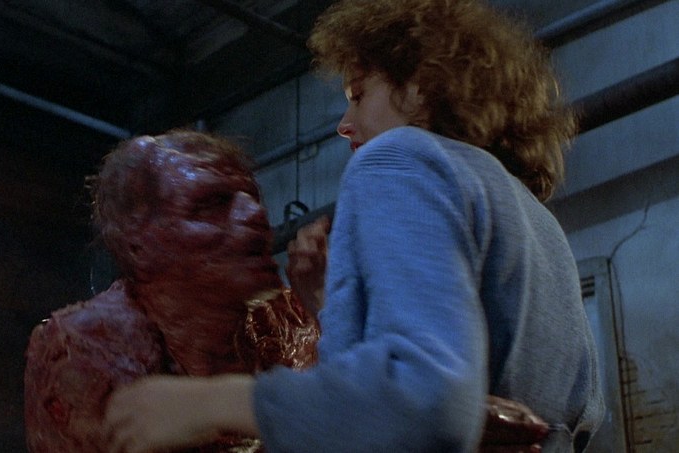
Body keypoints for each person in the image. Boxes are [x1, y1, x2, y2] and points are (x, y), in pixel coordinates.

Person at [104, 0, 606, 451]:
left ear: (422, 87)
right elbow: (564, 413)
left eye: (359, 94)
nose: (344, 123)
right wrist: (334, 306)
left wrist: (206, 403)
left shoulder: (398, 156)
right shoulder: (538, 222)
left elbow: (426, 398)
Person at [23, 131, 319, 452]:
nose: (255, 214)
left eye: (252, 198)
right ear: (138, 244)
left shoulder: (290, 322)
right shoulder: (86, 343)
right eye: (212, 204)